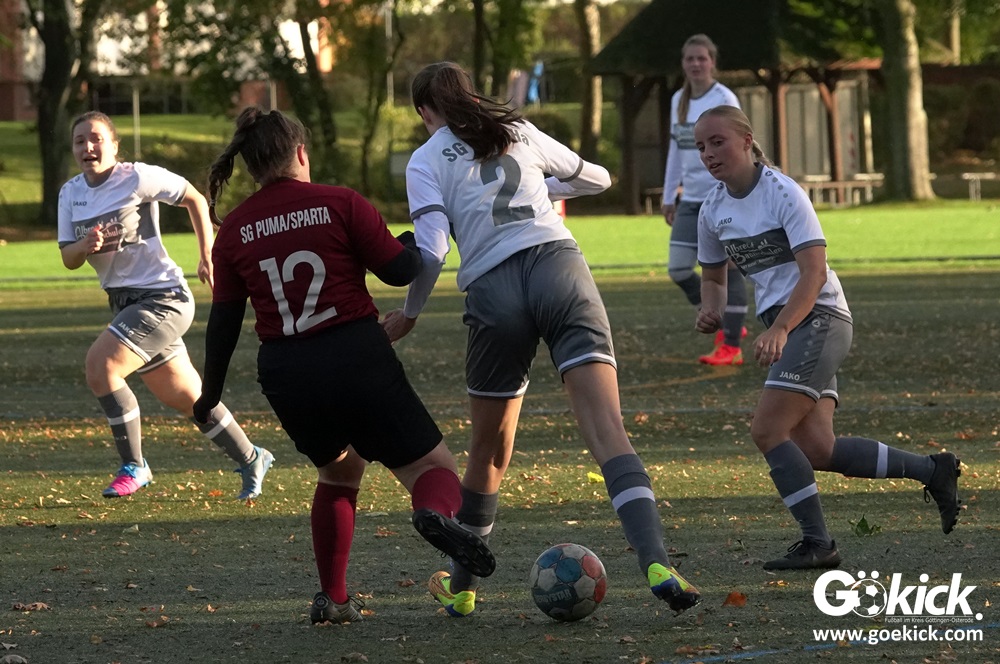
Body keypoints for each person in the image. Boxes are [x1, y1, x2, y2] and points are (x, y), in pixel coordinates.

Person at [381, 61, 700, 616]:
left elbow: (430, 251)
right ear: (470, 94)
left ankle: (463, 590)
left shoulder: (425, 159)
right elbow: (598, 178)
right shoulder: (516, 129)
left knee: (490, 450)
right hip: (559, 267)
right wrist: (542, 186)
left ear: (424, 111)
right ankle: (656, 562)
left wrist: (409, 314)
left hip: (492, 287)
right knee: (608, 430)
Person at [195, 107, 495, 624]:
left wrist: (210, 394)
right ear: (301, 152)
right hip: (355, 355)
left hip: (287, 374)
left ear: (251, 166)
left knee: (338, 471)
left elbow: (223, 322)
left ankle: (333, 598)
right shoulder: (339, 202)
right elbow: (400, 271)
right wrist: (407, 242)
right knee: (433, 469)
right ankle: (433, 513)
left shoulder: (236, 229)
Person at [692, 105, 962, 569]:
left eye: (717, 142)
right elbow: (714, 275)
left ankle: (818, 543)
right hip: (793, 323)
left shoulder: (782, 192)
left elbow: (814, 273)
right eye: (701, 147)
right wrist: (711, 307)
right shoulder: (712, 209)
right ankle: (932, 469)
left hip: (819, 317)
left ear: (746, 141)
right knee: (817, 447)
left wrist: (781, 328)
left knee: (768, 430)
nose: (708, 154)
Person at [57, 111, 273, 501]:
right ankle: (252, 456)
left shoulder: (136, 176)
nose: (87, 147)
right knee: (187, 397)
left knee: (101, 366)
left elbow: (194, 198)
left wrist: (206, 254)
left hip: (163, 297)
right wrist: (84, 246)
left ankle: (135, 466)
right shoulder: (69, 194)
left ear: (114, 145)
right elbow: (68, 258)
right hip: (123, 302)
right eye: (79, 141)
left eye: (96, 138)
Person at [661, 34, 749, 366]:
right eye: (690, 59)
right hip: (690, 200)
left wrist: (739, 190)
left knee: (729, 267)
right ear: (683, 64)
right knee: (678, 268)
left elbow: (741, 145)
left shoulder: (724, 97)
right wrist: (669, 194)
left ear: (713, 61)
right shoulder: (678, 100)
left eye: (702, 58)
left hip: (722, 195)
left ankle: (731, 345)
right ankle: (724, 318)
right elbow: (676, 149)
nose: (696, 64)